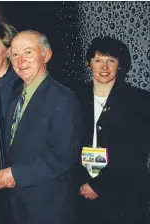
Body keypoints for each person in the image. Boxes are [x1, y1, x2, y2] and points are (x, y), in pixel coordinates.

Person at [0, 30, 82, 224]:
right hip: (17, 203)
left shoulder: (63, 99)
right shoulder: (16, 96)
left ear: (46, 55)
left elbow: (63, 157)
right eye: (14, 54)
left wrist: (15, 174)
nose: (20, 60)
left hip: (48, 207)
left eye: (28, 52)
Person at [73, 36, 150, 224]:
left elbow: (136, 154)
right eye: (98, 60)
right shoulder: (73, 97)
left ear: (120, 65)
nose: (104, 67)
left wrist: (97, 185)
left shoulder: (140, 100)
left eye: (111, 61)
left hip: (123, 194)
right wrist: (79, 183)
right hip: (80, 192)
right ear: (88, 63)